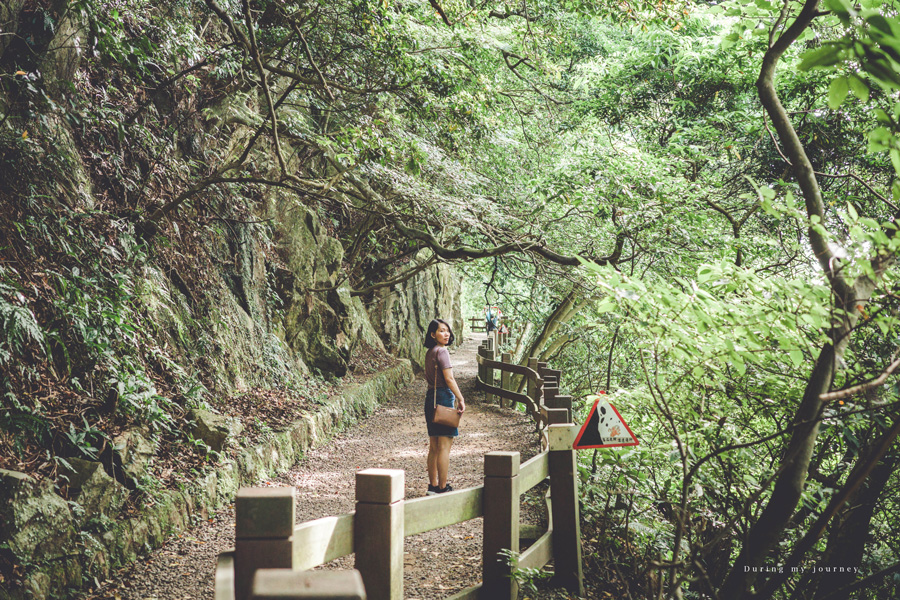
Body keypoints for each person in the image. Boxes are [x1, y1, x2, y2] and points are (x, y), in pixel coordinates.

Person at [423, 318, 466, 495]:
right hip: (443, 398)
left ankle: (432, 486)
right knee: (444, 447)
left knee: (433, 446)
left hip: (430, 398)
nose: (446, 334)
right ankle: (442, 487)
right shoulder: (442, 352)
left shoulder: (430, 352)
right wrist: (460, 398)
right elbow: (449, 379)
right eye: (441, 331)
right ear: (433, 334)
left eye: (447, 330)